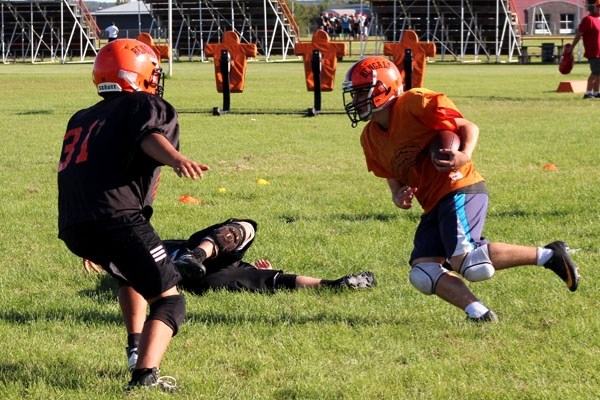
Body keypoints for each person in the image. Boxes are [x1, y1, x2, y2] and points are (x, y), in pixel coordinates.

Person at [341, 56, 580, 323]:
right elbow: (391, 175)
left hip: (459, 186)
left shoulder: (414, 102)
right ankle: (479, 313)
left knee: (469, 262)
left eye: (362, 92)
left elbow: (467, 126)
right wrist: (397, 195)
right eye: (354, 94)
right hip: (432, 202)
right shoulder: (370, 137)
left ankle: (549, 255)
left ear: (385, 88)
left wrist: (464, 154)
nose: (355, 100)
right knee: (423, 272)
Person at [57, 38, 209, 392]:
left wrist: (87, 241)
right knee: (171, 300)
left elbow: (79, 173)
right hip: (117, 217)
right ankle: (144, 379)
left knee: (131, 277)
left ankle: (133, 347)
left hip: (76, 222)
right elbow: (148, 135)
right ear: (137, 74)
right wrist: (175, 159)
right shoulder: (144, 103)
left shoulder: (82, 117)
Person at [83, 218, 377, 371]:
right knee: (247, 228)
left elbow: (128, 258)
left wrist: (102, 254)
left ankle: (334, 284)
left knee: (264, 278)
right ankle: (196, 255)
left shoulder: (149, 246)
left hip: (201, 276)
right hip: (189, 266)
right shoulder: (158, 245)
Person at [568, 0, 600, 99]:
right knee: (595, 72)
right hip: (593, 51)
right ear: (594, 7)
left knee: (598, 72)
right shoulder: (588, 19)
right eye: (598, 7)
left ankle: (596, 92)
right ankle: (588, 93)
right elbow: (579, 34)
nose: (599, 9)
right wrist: (572, 48)